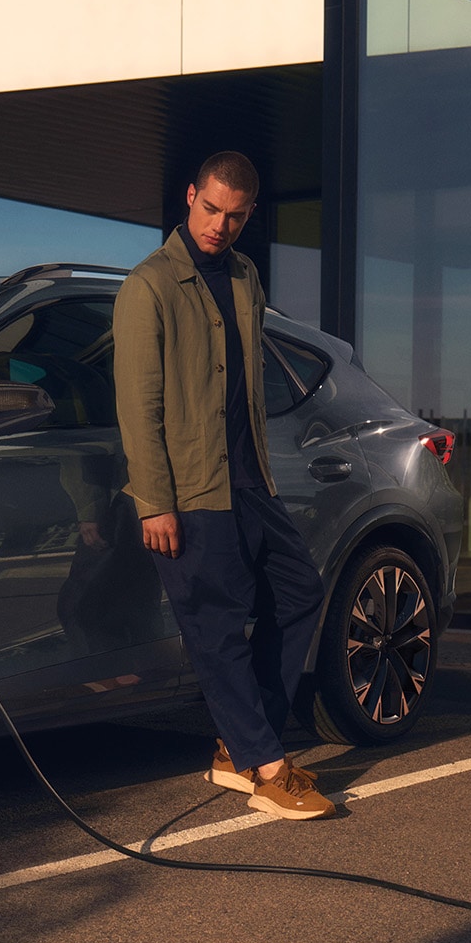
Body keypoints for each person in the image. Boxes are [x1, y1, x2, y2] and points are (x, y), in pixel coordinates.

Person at [113, 151, 334, 820]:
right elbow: (139, 405)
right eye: (210, 209)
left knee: (300, 591)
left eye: (234, 216)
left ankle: (243, 745)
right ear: (190, 196)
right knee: (215, 628)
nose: (219, 225)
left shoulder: (244, 276)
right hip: (189, 490)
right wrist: (155, 502)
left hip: (248, 481)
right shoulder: (149, 286)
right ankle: (265, 767)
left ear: (249, 214)